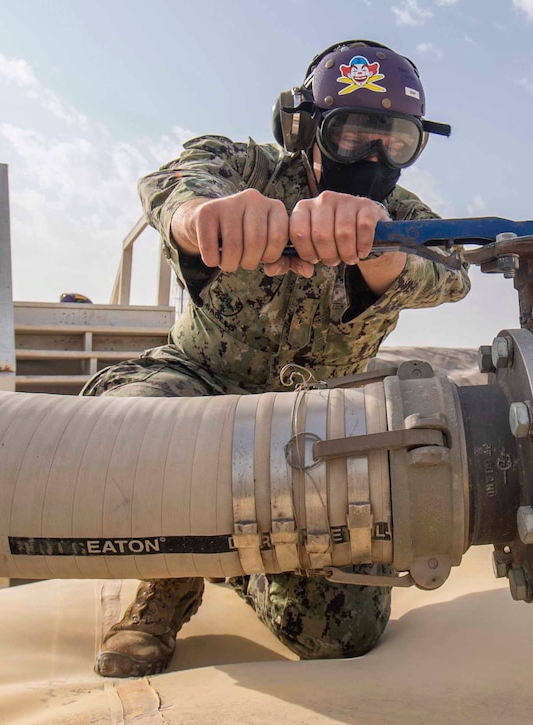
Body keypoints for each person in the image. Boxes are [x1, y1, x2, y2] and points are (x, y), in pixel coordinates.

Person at [85, 40, 470, 678]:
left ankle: (240, 561)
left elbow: (451, 270)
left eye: (395, 141)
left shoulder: (400, 214)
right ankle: (172, 580)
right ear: (302, 129)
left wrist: (381, 251)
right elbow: (175, 183)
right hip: (199, 386)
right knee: (131, 428)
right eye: (350, 134)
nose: (373, 157)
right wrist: (204, 217)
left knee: (339, 638)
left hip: (319, 421)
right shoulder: (244, 168)